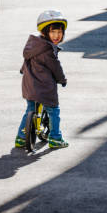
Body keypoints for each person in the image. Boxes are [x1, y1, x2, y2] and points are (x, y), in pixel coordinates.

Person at [15, 10, 69, 150]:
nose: (56, 36)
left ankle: (21, 138)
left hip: (29, 84)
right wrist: (62, 80)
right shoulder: (48, 50)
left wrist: (23, 71)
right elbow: (56, 68)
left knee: (30, 109)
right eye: (53, 32)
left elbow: (27, 61)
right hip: (45, 87)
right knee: (53, 111)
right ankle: (56, 138)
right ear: (45, 32)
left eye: (59, 32)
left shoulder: (33, 44)